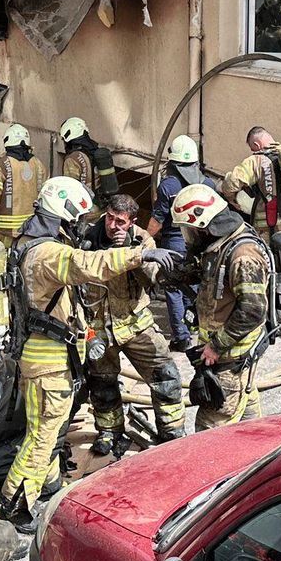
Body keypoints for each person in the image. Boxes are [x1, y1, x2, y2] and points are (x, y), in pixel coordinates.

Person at [0, 177, 180, 530]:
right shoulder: (49, 252)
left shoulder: (26, 242)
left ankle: (48, 487)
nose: (77, 227)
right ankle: (15, 503)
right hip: (47, 360)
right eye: (73, 221)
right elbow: (87, 266)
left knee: (51, 428)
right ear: (62, 216)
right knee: (42, 434)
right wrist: (139, 253)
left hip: (49, 354)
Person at [80, 194, 186, 455]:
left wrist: (132, 252)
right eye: (111, 218)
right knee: (102, 383)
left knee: (166, 376)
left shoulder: (142, 240)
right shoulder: (87, 235)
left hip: (135, 322)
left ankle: (172, 434)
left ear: (132, 222)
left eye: (121, 222)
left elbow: (152, 280)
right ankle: (109, 432)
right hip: (98, 325)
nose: (113, 226)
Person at [168, 184, 275, 430]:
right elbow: (210, 274)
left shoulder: (242, 255)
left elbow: (253, 310)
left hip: (230, 357)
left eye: (190, 229)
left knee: (210, 430)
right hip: (234, 359)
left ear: (204, 222)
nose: (189, 236)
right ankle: (258, 458)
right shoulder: (220, 242)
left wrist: (216, 346)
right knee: (249, 418)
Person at [220, 126, 281, 295]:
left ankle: (271, 306)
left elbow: (231, 183)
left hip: (269, 226)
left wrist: (231, 198)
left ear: (256, 143)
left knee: (268, 264)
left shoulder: (256, 161)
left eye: (252, 148)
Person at [146, 134, 213, 351]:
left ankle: (181, 337)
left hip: (174, 242)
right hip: (201, 244)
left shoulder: (168, 185)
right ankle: (192, 324)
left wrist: (143, 242)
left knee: (174, 287)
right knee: (193, 283)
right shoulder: (208, 183)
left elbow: (157, 219)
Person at [0, 123, 46, 248]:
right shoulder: (37, 163)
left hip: (5, 229)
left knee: (2, 259)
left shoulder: (1, 164)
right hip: (31, 226)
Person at [57, 117, 110, 218]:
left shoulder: (73, 159)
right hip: (102, 207)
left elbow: (70, 189)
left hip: (85, 212)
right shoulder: (96, 151)